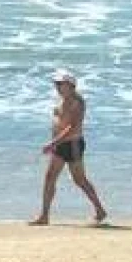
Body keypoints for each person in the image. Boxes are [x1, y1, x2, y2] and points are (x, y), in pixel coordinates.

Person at [30, 69, 108, 226]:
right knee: (50, 177)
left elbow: (72, 128)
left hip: (72, 145)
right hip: (60, 144)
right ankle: (44, 216)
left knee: (79, 180)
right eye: (56, 84)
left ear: (70, 85)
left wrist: (52, 143)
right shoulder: (62, 100)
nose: (57, 87)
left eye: (60, 84)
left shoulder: (77, 102)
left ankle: (100, 210)